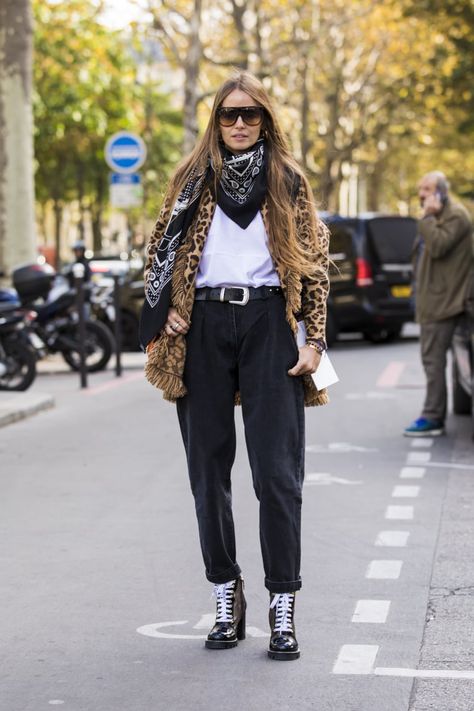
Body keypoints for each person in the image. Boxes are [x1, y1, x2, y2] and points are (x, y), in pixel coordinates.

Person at [139, 71, 330, 660]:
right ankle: (226, 591)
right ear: (215, 121)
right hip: (203, 326)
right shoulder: (191, 179)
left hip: (271, 323)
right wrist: (166, 309)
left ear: (266, 120)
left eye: (251, 114)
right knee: (207, 472)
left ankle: (282, 605)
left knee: (277, 475)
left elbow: (317, 263)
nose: (241, 123)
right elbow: (159, 251)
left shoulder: (288, 181)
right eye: (230, 115)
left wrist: (314, 340)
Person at [404, 171, 472, 437]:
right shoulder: (440, 217)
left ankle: (432, 417)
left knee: (434, 363)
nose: (422, 194)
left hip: (447, 302)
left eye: (428, 189)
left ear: (442, 191)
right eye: (421, 188)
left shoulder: (454, 216)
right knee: (434, 362)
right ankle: (434, 414)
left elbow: (439, 245)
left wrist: (428, 218)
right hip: (435, 300)